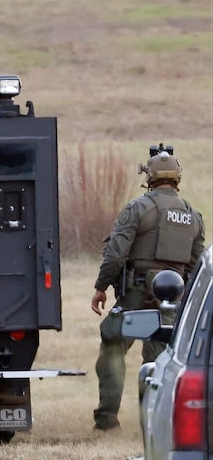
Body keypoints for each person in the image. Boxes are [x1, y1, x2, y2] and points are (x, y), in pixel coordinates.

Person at [91, 146, 205, 431]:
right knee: (160, 360)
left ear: (150, 176)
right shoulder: (193, 216)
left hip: (136, 293)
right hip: (172, 299)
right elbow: (195, 265)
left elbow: (116, 254)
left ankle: (107, 420)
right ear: (177, 176)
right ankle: (156, 423)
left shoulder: (138, 208)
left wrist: (101, 286)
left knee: (114, 346)